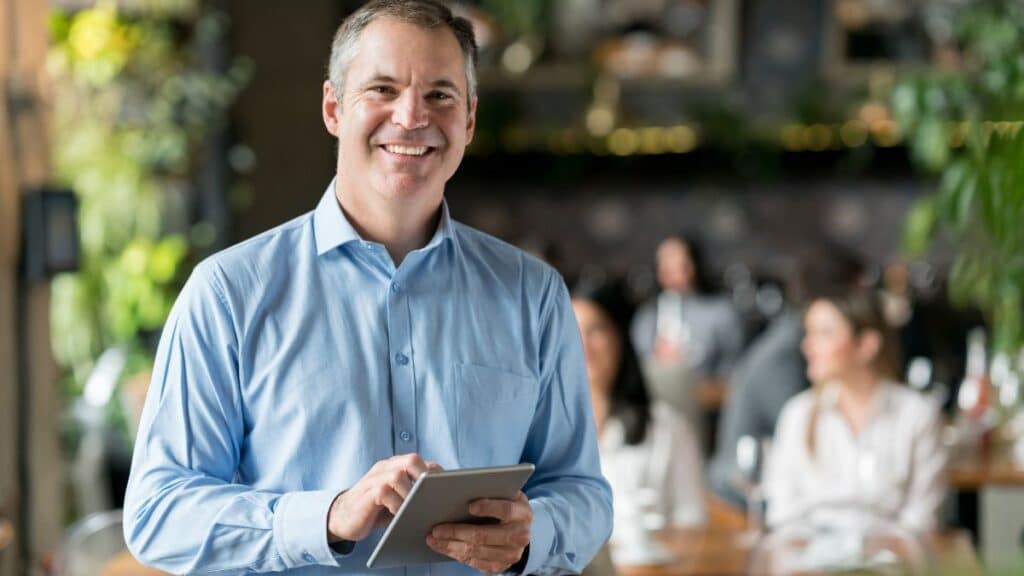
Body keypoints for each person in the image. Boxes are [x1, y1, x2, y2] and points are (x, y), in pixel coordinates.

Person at [122, 2, 613, 574]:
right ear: (334, 107)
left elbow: (583, 492)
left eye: (440, 95)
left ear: (470, 120)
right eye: (382, 88)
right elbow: (158, 513)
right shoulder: (229, 294)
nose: (411, 116)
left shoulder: (534, 295)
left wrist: (536, 534)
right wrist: (325, 516)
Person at [763, 288, 948, 532]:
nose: (808, 346)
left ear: (866, 345)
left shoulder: (916, 415)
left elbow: (922, 518)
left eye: (824, 334)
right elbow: (782, 513)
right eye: (809, 333)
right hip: (813, 565)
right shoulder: (798, 414)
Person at [708, 244, 864, 508]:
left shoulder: (793, 334)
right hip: (743, 492)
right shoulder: (785, 355)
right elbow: (811, 439)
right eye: (859, 293)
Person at [572, 280, 705, 556]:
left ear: (619, 336)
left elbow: (692, 521)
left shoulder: (668, 428)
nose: (583, 344)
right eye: (572, 331)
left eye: (595, 330)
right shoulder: (540, 431)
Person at [630, 234, 744, 382]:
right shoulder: (646, 318)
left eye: (680, 265)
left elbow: (734, 365)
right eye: (665, 266)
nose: (673, 274)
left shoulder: (720, 312)